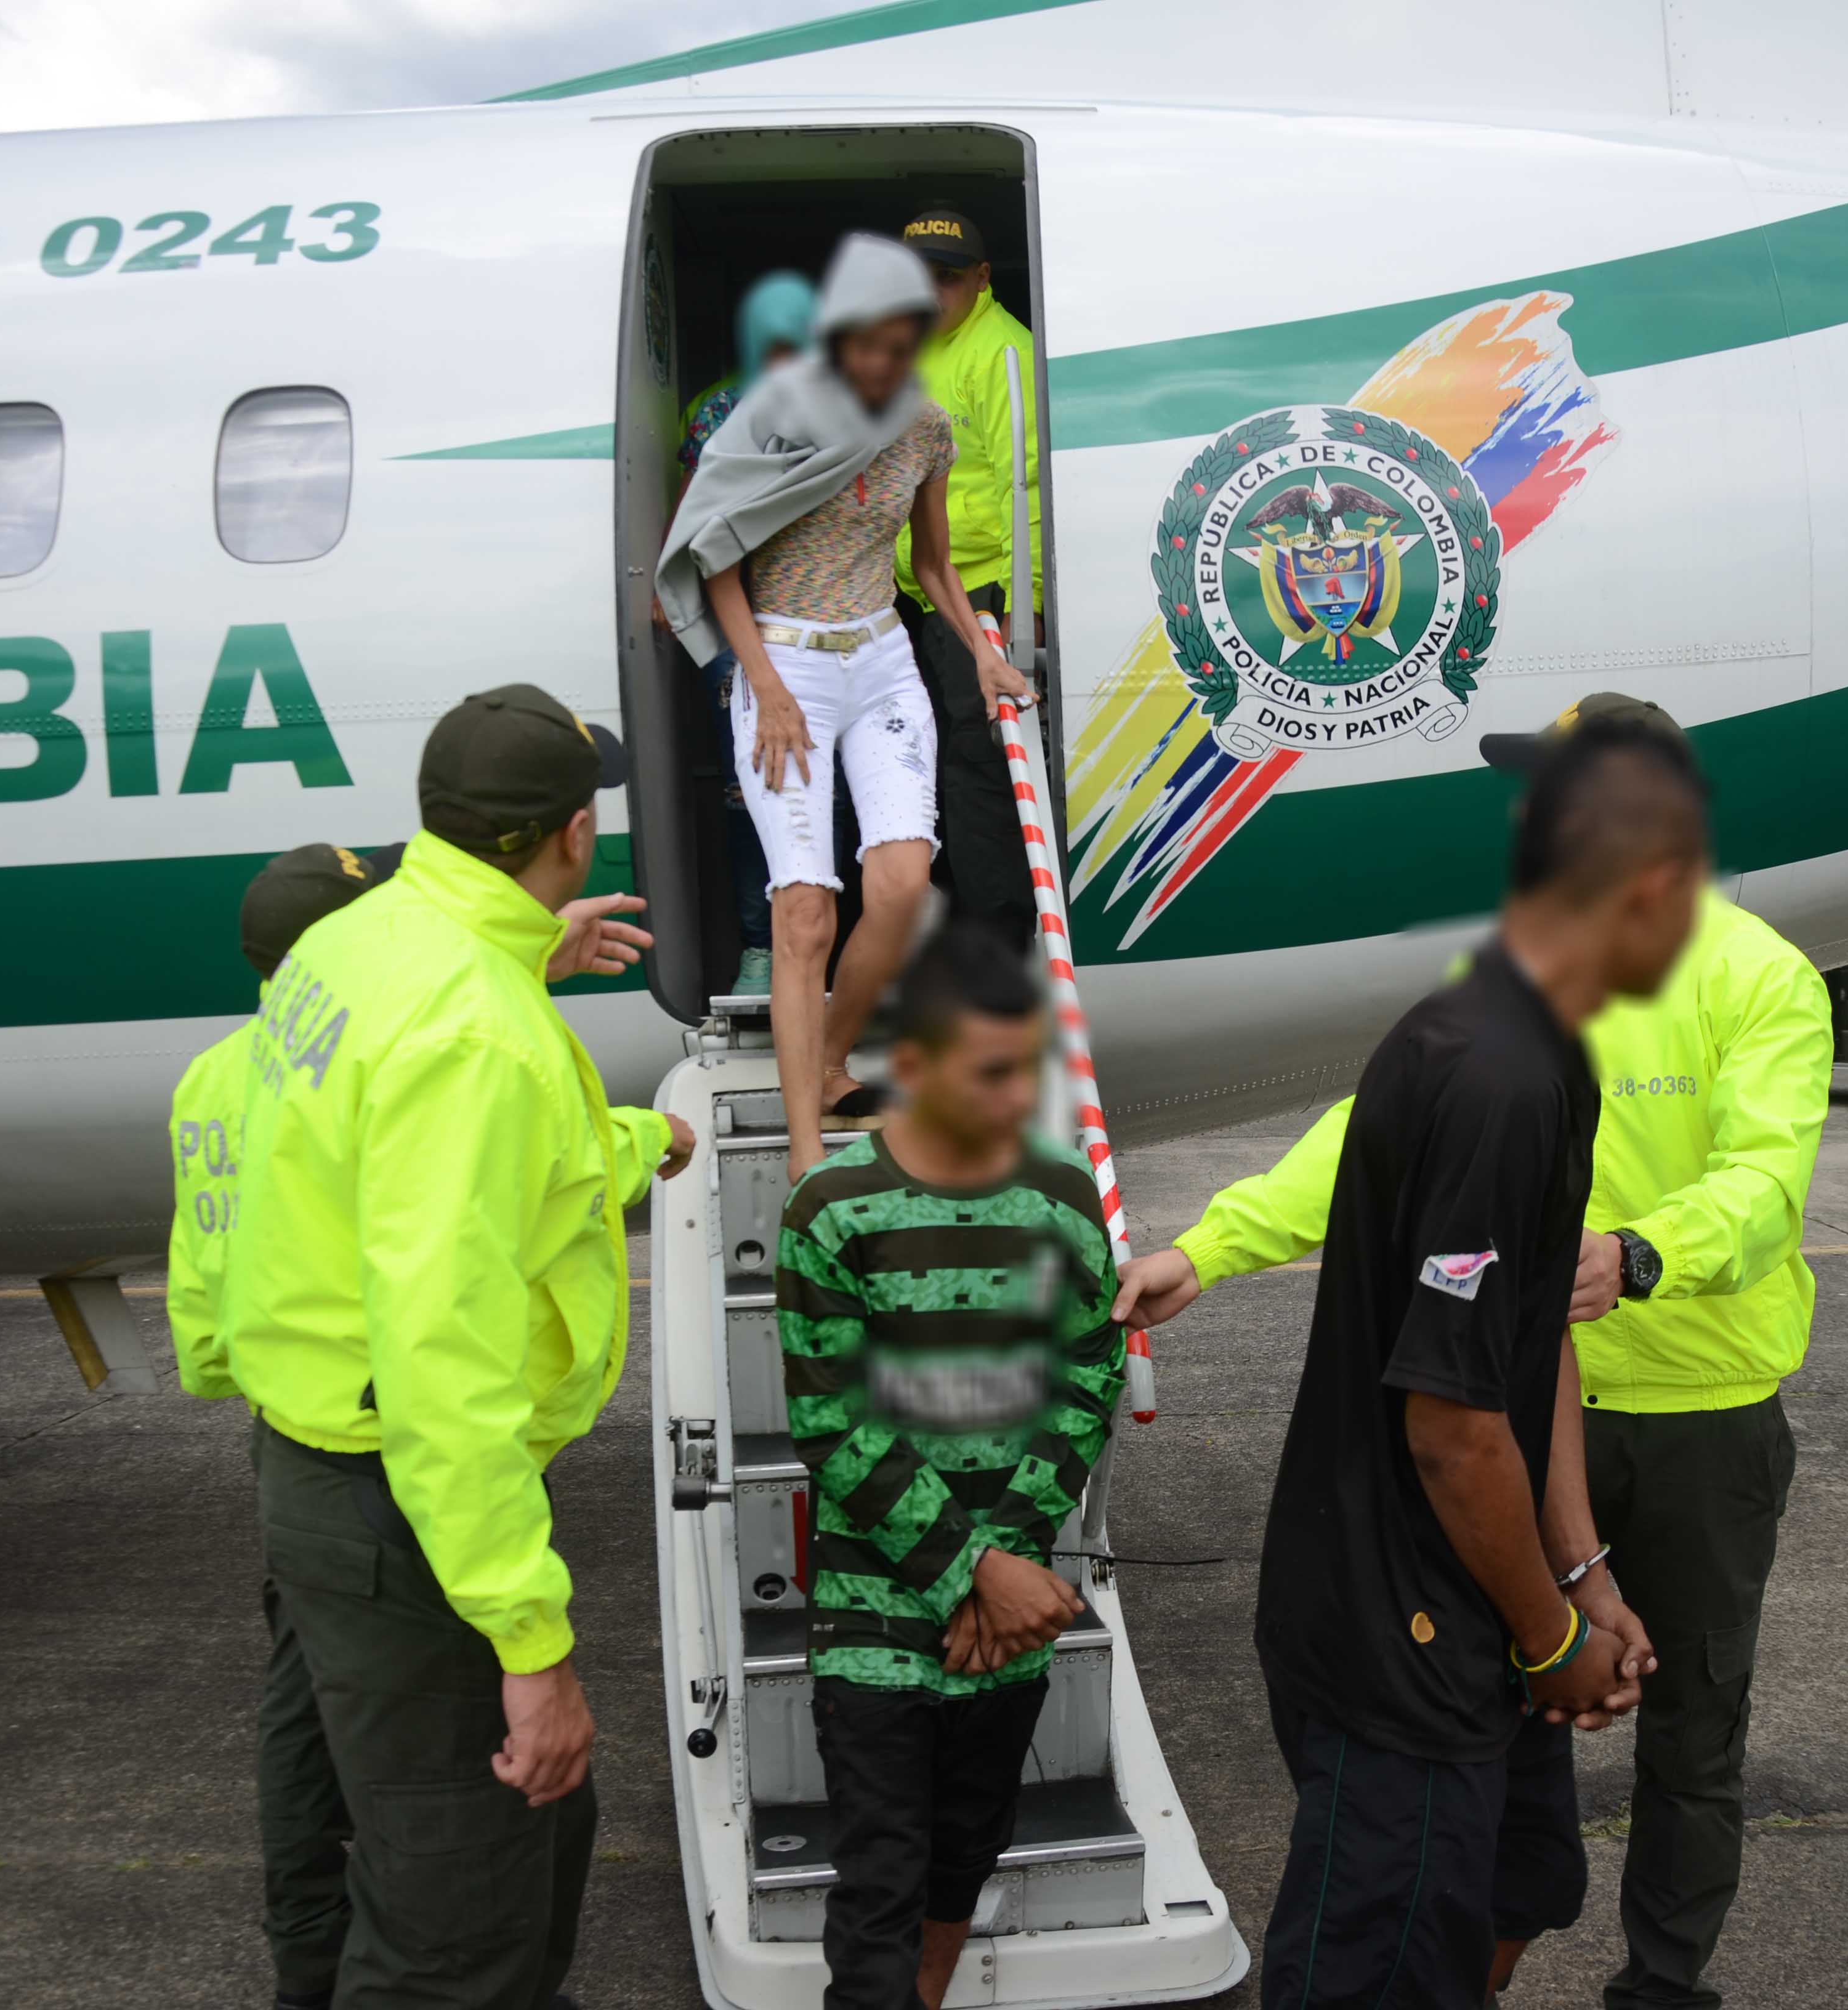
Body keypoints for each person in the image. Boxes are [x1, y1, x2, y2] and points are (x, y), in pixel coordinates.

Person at [1121, 695, 1831, 2010]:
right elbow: (1369, 1138)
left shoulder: (1755, 975)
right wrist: (1213, 1244)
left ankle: (1659, 1981)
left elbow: (1766, 1184)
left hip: (1694, 1412)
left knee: (1688, 1728)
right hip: (1516, 1411)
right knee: (1500, 1713)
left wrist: (1641, 1253)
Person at [213, 685, 697, 2010]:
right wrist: (531, 1646)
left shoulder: (354, 942)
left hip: (322, 1463)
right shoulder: (474, 1034)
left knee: (504, 1845)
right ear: (574, 832)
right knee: (456, 1929)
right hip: (409, 1503)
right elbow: (444, 1358)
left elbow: (411, 1106)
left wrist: (524, 955)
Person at [1243, 714, 1708, 2010]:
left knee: (1524, 1879)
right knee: (1375, 1972)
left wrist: (1579, 1571)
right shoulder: (1497, 1072)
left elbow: (1529, 1330)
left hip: (1476, 1601)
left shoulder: (1543, 1049)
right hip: (1399, 1635)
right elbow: (1448, 1425)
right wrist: (1551, 1638)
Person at [773, 924, 1127, 2010]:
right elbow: (834, 1425)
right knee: (878, 1878)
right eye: (990, 1072)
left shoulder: (1061, 1199)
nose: (1018, 1097)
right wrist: (975, 1571)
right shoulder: (831, 1209)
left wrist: (1006, 1563)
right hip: (875, 1615)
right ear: (917, 1067)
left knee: (967, 1844)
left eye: (1028, 1070)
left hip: (1007, 1620)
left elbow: (1086, 1375)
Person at [656, 232, 1029, 1174]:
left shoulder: (926, 427)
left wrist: (983, 656)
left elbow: (934, 564)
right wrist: (766, 687)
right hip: (784, 659)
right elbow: (716, 561)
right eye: (863, 342)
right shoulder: (773, 417)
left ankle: (827, 1063)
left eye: (898, 344)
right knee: (806, 912)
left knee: (901, 885)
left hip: (882, 658)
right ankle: (804, 1147)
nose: (879, 363)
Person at [164, 838, 397, 2010]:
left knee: (301, 1705)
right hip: (373, 1435)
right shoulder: (355, 1062)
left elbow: (197, 1284)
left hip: (279, 1424)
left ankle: (307, 1958)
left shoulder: (210, 1078)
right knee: (424, 1739)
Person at [892, 208, 1044, 948]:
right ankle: (964, 928)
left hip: (983, 596)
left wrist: (1024, 605)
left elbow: (1030, 488)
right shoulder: (909, 346)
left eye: (946, 277)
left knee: (978, 765)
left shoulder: (1001, 351)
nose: (929, 291)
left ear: (981, 278)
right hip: (920, 593)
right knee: (938, 759)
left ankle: (998, 946)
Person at [680, 270, 820, 996]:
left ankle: (832, 944)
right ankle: (762, 949)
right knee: (752, 790)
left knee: (834, 789)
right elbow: (692, 514)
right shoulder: (716, 411)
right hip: (739, 623)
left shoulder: (849, 409)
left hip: (829, 621)